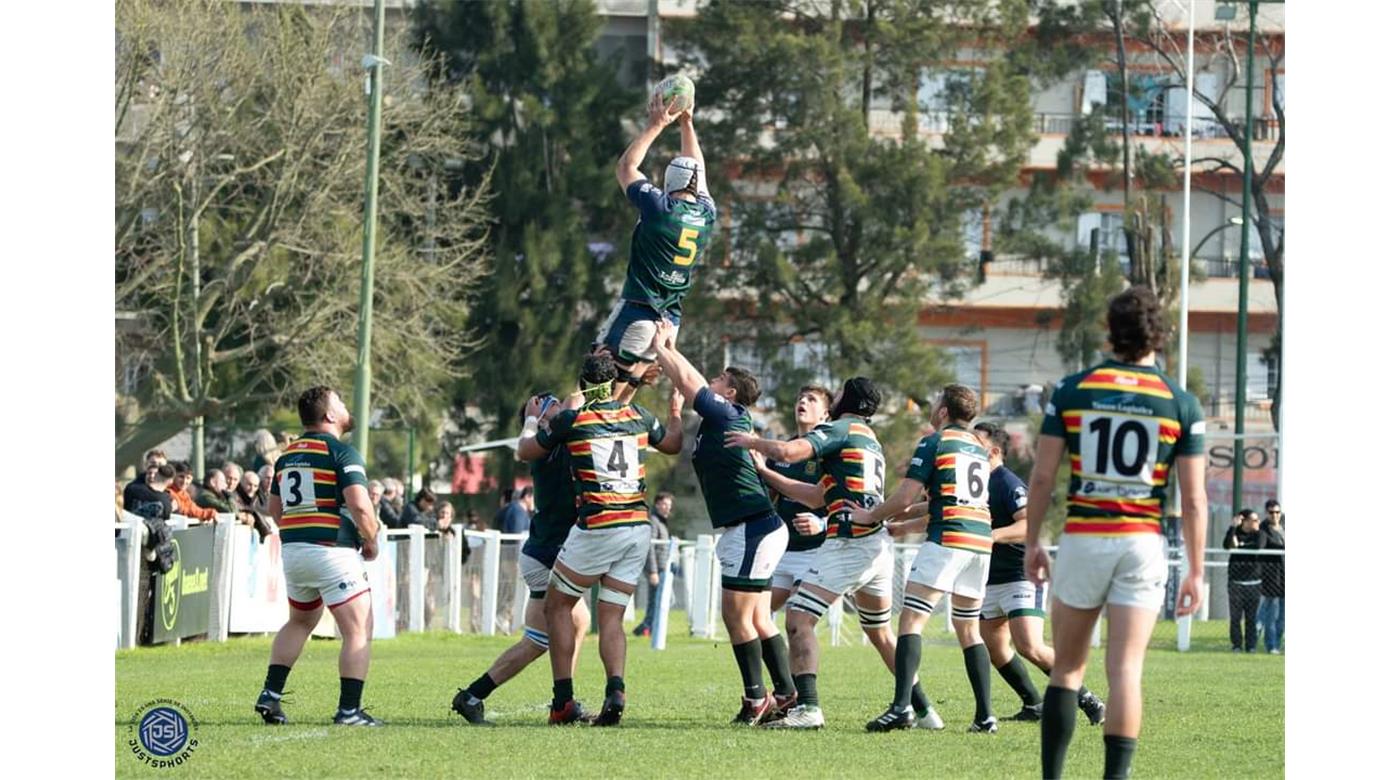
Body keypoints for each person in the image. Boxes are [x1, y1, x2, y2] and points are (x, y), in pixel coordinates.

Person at [1024, 286, 1208, 780]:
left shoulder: (1073, 390)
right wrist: (1195, 570)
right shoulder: (1180, 402)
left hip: (1085, 536)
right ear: (1160, 334)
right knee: (1126, 670)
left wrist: (1033, 540)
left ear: (1109, 330)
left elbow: (1042, 477)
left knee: (1066, 668)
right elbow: (1192, 499)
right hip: (1142, 542)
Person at [727, 377, 939, 731]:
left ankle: (808, 707)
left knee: (798, 619)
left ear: (846, 399)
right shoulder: (867, 439)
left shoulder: (842, 428)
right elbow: (815, 497)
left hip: (850, 543)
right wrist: (765, 472)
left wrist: (752, 441)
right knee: (880, 633)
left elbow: (790, 452)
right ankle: (924, 711)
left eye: (836, 394)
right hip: (876, 546)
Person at [514, 353, 684, 726]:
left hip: (598, 525)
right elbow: (672, 444)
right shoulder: (637, 415)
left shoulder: (574, 419)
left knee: (557, 607)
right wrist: (674, 410)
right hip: (637, 526)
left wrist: (530, 421)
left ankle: (562, 700)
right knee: (612, 616)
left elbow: (525, 450)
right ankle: (616, 690)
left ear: (584, 384)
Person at [652, 320, 794, 725]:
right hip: (751, 527)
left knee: (735, 615)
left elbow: (687, 376)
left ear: (730, 392)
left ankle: (757, 699)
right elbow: (685, 394)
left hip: (752, 527)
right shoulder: (720, 418)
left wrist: (664, 347)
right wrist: (674, 406)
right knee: (757, 618)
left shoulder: (729, 411)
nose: (711, 381)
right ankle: (784, 693)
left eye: (719, 378)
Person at [855, 385, 999, 733]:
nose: (932, 408)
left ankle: (901, 707)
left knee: (910, 622)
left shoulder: (935, 441)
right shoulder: (978, 449)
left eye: (936, 403)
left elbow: (905, 496)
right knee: (969, 629)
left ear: (944, 411)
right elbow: (946, 500)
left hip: (948, 538)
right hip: (980, 542)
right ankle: (985, 716)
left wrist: (870, 516)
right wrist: (903, 525)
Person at [451, 392, 592, 726]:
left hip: (547, 552)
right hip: (547, 556)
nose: (561, 406)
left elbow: (581, 406)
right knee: (541, 639)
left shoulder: (556, 440)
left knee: (566, 627)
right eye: (551, 405)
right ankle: (477, 696)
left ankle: (561, 699)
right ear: (542, 420)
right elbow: (576, 402)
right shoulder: (548, 445)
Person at [255, 386, 382, 727]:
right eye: (340, 401)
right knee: (359, 630)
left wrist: (300, 533)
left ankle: (270, 694)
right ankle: (349, 711)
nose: (345, 405)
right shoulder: (342, 452)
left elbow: (275, 510)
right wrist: (371, 538)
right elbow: (359, 504)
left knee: (300, 621)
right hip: (332, 552)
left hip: (295, 551)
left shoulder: (286, 456)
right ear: (329, 415)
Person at [969, 421, 1104, 725]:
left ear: (993, 450)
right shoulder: (973, 480)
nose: (969, 445)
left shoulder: (1006, 482)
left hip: (1019, 575)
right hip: (990, 577)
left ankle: (1089, 699)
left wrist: (992, 534)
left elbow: (1029, 525)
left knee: (1029, 646)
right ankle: (1033, 704)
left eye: (975, 441)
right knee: (993, 646)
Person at [596, 91, 717, 398]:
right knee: (627, 395)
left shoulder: (658, 207)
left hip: (638, 310)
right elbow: (697, 169)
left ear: (668, 183)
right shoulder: (707, 212)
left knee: (598, 388)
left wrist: (657, 124)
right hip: (669, 321)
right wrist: (687, 124)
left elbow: (626, 168)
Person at [751, 385, 832, 613]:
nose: (803, 402)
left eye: (812, 399)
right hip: (782, 550)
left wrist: (822, 524)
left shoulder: (830, 453)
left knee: (797, 618)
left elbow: (843, 501)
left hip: (815, 552)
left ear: (825, 414)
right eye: (801, 398)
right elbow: (769, 499)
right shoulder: (783, 450)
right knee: (757, 618)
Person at [633, 492, 674, 638]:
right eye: (664, 504)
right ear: (657, 505)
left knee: (660, 600)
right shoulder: (654, 521)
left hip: (663, 567)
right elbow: (649, 547)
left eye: (669, 505)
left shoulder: (662, 521)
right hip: (656, 569)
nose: (667, 508)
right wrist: (653, 572)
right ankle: (646, 628)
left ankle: (647, 627)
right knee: (656, 600)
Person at [1224, 508, 1264, 653]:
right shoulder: (1236, 532)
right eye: (1253, 520)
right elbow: (1227, 545)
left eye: (1257, 520)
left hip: (1254, 583)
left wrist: (1240, 545)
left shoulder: (1259, 534)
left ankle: (1251, 645)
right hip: (1236, 583)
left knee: (1251, 618)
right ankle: (1236, 645)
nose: (1256, 523)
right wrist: (1233, 527)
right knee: (1235, 618)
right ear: (1244, 521)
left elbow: (1258, 546)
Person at [1258, 500, 1284, 654]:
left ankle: (1277, 643)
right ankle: (1271, 645)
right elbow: (1261, 546)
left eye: (1277, 512)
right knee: (1272, 615)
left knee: (1283, 617)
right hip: (1272, 578)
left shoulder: (1286, 526)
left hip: (1286, 576)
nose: (1275, 515)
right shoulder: (1263, 530)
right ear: (1266, 513)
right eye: (1271, 512)